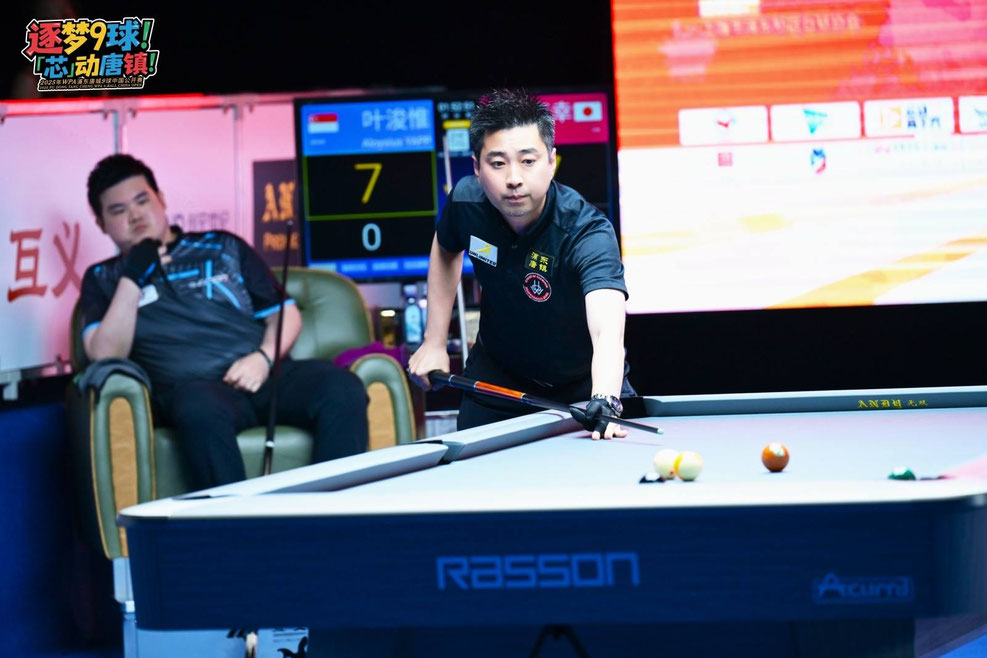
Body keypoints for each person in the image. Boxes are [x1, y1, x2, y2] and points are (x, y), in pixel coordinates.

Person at [79, 154, 368, 489]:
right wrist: (133, 275)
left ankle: (331, 511)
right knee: (198, 410)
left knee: (341, 388)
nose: (135, 215)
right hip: (195, 390)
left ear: (161, 199)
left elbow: (285, 314)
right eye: (118, 210)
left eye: (142, 201)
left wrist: (262, 358)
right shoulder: (103, 278)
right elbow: (106, 353)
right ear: (101, 223)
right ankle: (235, 521)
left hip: (263, 374)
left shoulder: (222, 246)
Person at [408, 89, 634, 439]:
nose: (514, 178)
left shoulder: (586, 231)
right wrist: (434, 341)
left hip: (583, 389)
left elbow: (608, 326)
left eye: (528, 161)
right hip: (497, 381)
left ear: (551, 161)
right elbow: (445, 246)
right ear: (477, 167)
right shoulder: (466, 203)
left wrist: (605, 397)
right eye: (498, 163)